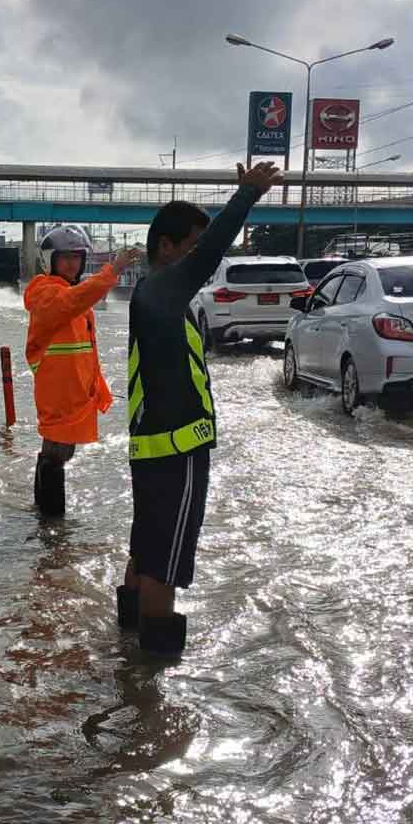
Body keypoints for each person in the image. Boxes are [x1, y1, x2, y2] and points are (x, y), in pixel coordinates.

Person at [117, 161, 282, 655]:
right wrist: (247, 196)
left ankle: (124, 650)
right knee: (164, 566)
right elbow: (211, 252)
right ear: (166, 248)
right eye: (189, 246)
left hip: (153, 449)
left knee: (146, 552)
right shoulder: (164, 288)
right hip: (177, 451)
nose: (200, 258)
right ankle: (150, 688)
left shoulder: (154, 295)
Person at [24, 225, 138, 517]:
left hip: (72, 390)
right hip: (59, 390)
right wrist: (113, 270)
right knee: (56, 453)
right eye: (66, 257)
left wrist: (95, 386)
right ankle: (52, 528)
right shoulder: (46, 293)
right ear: (51, 260)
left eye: (77, 257)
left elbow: (83, 348)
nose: (73, 263)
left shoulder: (68, 291)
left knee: (57, 452)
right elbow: (74, 302)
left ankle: (44, 520)